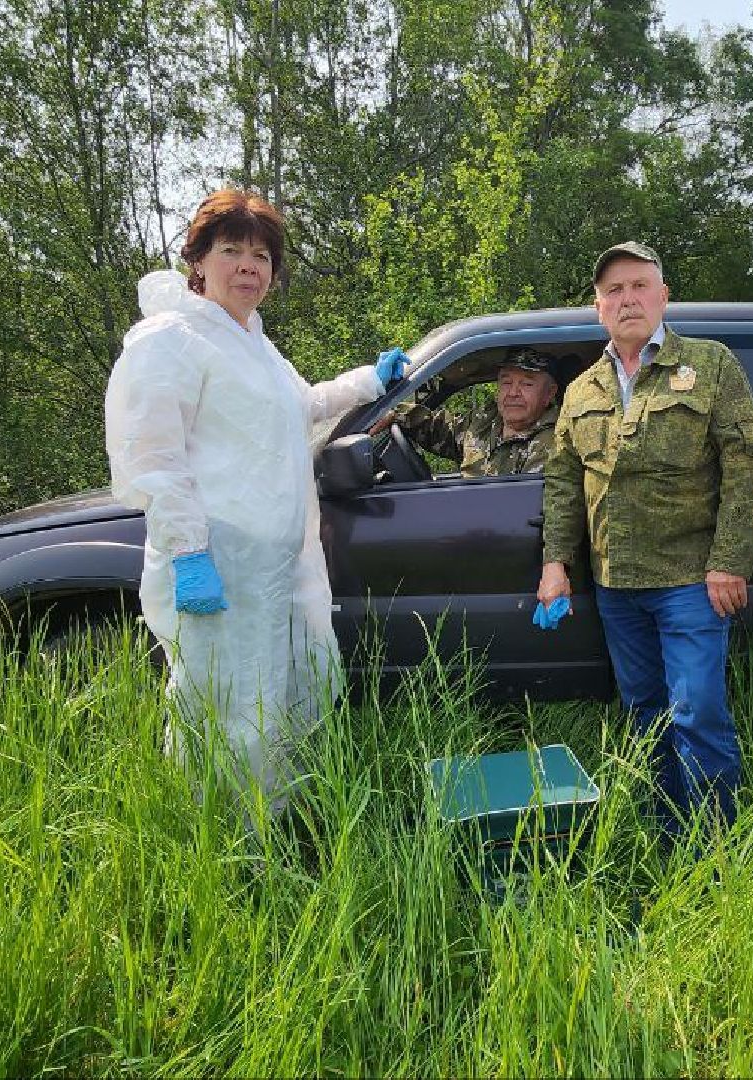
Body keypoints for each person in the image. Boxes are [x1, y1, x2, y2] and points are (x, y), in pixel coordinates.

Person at [104, 188, 404, 804]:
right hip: (220, 559)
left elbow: (307, 408)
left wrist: (369, 381)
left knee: (276, 700)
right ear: (199, 261)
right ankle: (224, 845)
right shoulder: (172, 339)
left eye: (261, 255)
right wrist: (188, 552)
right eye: (232, 250)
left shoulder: (254, 346)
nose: (248, 266)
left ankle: (280, 825)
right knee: (227, 705)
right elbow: (153, 456)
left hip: (275, 566)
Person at [534, 241, 753, 836]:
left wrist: (730, 561)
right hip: (617, 585)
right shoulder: (583, 389)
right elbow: (564, 480)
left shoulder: (710, 365)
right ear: (598, 308)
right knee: (644, 712)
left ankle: (714, 846)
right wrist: (556, 562)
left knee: (697, 712)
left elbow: (748, 464)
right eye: (614, 290)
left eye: (640, 285)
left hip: (693, 580)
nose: (628, 299)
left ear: (664, 296)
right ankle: (666, 830)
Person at [384, 348, 561, 477]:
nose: (513, 393)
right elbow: (440, 431)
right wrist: (394, 413)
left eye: (527, 384)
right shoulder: (485, 420)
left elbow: (519, 505)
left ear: (549, 393)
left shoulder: (555, 441)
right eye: (506, 383)